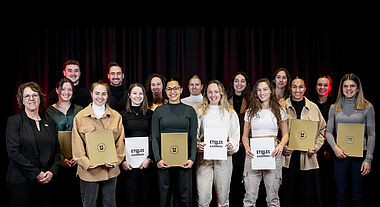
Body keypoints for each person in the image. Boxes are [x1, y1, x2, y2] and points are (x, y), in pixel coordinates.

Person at [6, 82, 62, 207]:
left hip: (47, 181)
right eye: (27, 96)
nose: (31, 99)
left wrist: (52, 172)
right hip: (21, 183)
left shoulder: (49, 121)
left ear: (40, 98)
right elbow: (14, 152)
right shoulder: (14, 121)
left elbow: (57, 151)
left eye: (35, 95)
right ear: (22, 100)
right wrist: (36, 173)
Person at [71, 81, 125, 207]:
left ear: (107, 96)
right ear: (91, 94)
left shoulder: (116, 116)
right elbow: (77, 144)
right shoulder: (80, 117)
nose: (100, 97)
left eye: (103, 94)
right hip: (89, 171)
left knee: (109, 203)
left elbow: (120, 142)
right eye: (97, 93)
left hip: (110, 170)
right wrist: (86, 163)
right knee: (89, 203)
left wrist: (115, 161)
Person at [326, 73, 375, 207]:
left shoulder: (367, 107)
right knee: (341, 194)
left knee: (358, 195)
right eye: (345, 86)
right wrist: (335, 148)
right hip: (340, 155)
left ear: (358, 88)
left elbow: (371, 134)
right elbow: (328, 132)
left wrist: (368, 159)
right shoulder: (334, 107)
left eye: (352, 86)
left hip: (360, 157)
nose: (348, 89)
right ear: (341, 89)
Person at [242, 78, 289, 207]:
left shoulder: (279, 111)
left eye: (265, 89)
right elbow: (245, 136)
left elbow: (286, 135)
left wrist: (280, 146)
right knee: (250, 196)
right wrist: (247, 147)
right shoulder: (250, 112)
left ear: (271, 91)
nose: (262, 93)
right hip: (253, 153)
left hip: (273, 153)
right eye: (259, 90)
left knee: (273, 197)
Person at [151, 77, 198, 207]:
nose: (173, 91)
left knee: (184, 195)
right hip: (164, 162)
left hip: (184, 161)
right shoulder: (159, 111)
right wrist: (158, 159)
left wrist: (192, 158)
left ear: (181, 90)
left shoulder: (190, 111)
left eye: (176, 88)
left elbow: (193, 137)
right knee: (165, 195)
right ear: (165, 91)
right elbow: (154, 137)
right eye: (169, 89)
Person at [281, 77, 326, 207]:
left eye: (300, 87)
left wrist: (316, 147)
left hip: (307, 158)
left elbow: (322, 129)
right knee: (287, 195)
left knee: (305, 196)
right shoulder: (282, 106)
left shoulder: (313, 107)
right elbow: (274, 131)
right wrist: (282, 146)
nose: (297, 90)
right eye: (294, 87)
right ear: (290, 88)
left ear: (305, 88)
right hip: (287, 159)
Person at [196, 80, 240, 207]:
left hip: (224, 158)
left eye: (216, 92)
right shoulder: (200, 112)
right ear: (206, 94)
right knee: (203, 198)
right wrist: (198, 145)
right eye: (210, 92)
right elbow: (195, 135)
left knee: (223, 198)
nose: (213, 95)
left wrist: (232, 145)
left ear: (221, 93)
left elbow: (235, 134)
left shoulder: (230, 112)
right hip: (204, 159)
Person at [45, 78, 83, 207]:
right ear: (57, 90)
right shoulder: (49, 111)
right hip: (56, 161)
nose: (66, 92)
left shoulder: (80, 110)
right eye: (63, 89)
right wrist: (61, 159)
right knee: (60, 197)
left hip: (78, 161)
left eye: (70, 89)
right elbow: (48, 138)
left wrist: (79, 157)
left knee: (77, 197)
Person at [116, 83, 154, 207]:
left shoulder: (150, 114)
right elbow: (118, 140)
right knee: (130, 197)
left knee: (146, 196)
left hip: (146, 162)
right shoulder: (122, 115)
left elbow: (155, 139)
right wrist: (123, 161)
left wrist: (150, 159)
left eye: (141, 93)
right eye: (135, 93)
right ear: (129, 95)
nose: (138, 96)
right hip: (129, 163)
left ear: (144, 96)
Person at [311, 75, 336, 207]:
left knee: (328, 181)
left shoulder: (335, 104)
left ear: (330, 87)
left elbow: (334, 129)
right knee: (315, 181)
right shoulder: (311, 103)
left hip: (329, 149)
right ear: (316, 87)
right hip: (312, 148)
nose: (322, 87)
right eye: (319, 85)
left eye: (325, 85)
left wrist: (326, 148)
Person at [227, 71, 251, 207]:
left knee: (244, 179)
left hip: (246, 146)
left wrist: (245, 141)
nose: (239, 84)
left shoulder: (252, 101)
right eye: (236, 81)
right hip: (230, 146)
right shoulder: (226, 99)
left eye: (242, 81)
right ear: (232, 83)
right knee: (231, 180)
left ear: (246, 84)